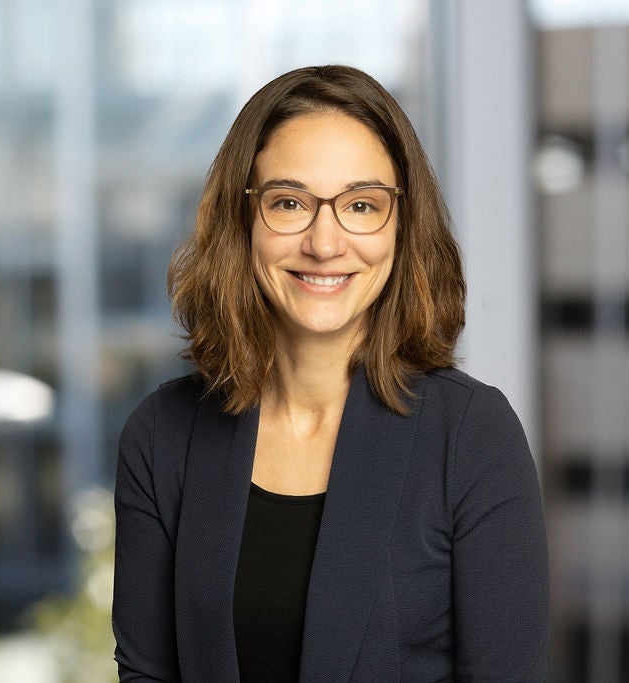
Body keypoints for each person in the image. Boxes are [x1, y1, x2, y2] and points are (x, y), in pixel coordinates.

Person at [112, 65, 548, 682]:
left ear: (401, 224)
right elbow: (148, 674)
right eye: (288, 202)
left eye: (361, 205)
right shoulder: (162, 434)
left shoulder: (471, 436)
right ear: (242, 220)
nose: (324, 241)